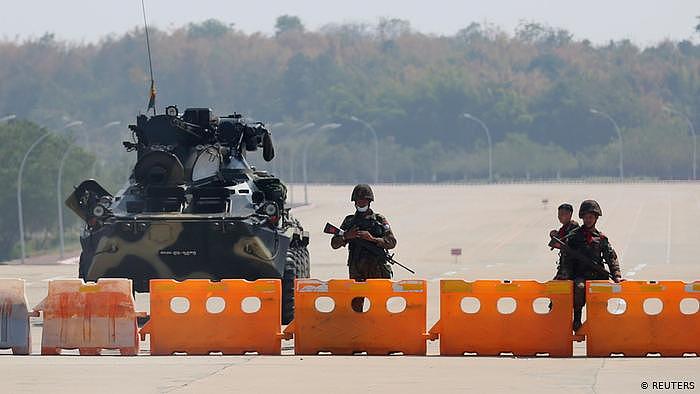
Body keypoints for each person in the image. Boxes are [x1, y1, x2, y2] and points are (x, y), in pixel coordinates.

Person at [330, 184, 397, 312]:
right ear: (354, 202)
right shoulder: (349, 221)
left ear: (369, 202)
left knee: (379, 307)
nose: (361, 203)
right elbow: (334, 243)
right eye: (358, 201)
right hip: (357, 269)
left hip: (376, 268)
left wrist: (372, 239)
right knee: (355, 307)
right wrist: (346, 236)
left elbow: (392, 242)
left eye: (364, 201)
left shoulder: (379, 220)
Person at [559, 200, 623, 332]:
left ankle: (601, 324)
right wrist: (565, 274)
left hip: (597, 275)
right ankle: (577, 318)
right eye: (586, 217)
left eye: (591, 217)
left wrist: (617, 276)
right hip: (580, 275)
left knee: (601, 295)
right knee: (580, 288)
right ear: (582, 217)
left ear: (596, 218)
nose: (588, 220)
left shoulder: (601, 238)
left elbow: (611, 258)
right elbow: (567, 258)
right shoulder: (574, 236)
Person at [548, 203, 580, 280]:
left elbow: (566, 244)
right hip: (564, 265)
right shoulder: (564, 228)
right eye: (559, 214)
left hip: (572, 266)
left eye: (563, 214)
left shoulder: (573, 227)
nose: (560, 217)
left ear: (570, 214)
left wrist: (556, 239)